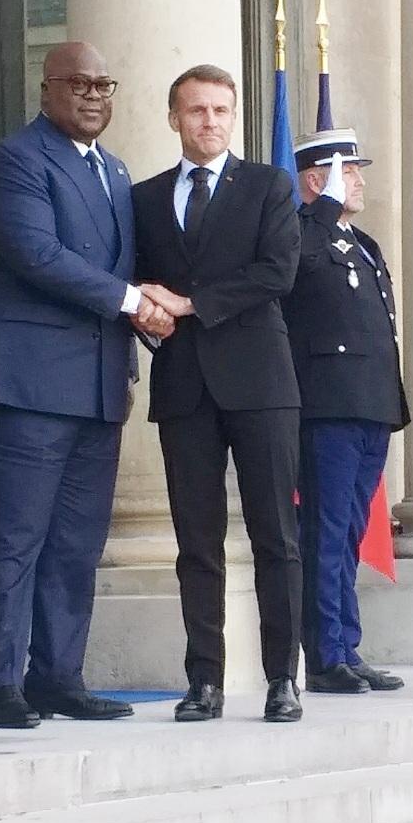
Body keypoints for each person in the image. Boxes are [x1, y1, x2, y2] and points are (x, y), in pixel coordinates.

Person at [0, 41, 172, 729]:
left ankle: (58, 676)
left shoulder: (113, 171)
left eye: (104, 85)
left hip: (98, 385)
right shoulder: (17, 160)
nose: (92, 96)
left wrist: (139, 333)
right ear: (46, 89)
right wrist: (131, 302)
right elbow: (36, 255)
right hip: (28, 384)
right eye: (77, 83)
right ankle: (0, 684)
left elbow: (121, 270)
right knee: (18, 538)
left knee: (77, 543)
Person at [132, 64, 303, 723]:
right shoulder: (145, 198)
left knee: (275, 537)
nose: (210, 121)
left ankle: (282, 679)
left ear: (234, 118)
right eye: (197, 110)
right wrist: (149, 312)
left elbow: (277, 272)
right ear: (173, 118)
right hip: (183, 386)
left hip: (261, 381)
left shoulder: (267, 186)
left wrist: (191, 303)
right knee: (195, 542)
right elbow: (137, 282)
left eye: (221, 110)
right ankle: (204, 680)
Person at [283, 131, 409, 694]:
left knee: (352, 530)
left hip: (368, 404)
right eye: (347, 171)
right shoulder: (302, 231)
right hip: (329, 407)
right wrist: (325, 204)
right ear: (316, 179)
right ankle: (324, 651)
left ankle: (346, 645)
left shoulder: (360, 242)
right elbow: (295, 267)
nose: (358, 180)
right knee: (327, 530)